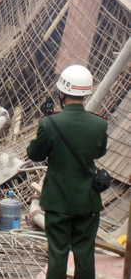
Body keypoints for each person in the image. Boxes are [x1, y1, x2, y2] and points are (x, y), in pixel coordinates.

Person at [26, 65, 108, 278]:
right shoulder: (99, 123)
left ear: (61, 92)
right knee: (84, 255)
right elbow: (99, 152)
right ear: (86, 92)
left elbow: (34, 154)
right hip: (87, 201)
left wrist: (43, 127)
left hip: (57, 201)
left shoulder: (49, 123)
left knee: (57, 255)